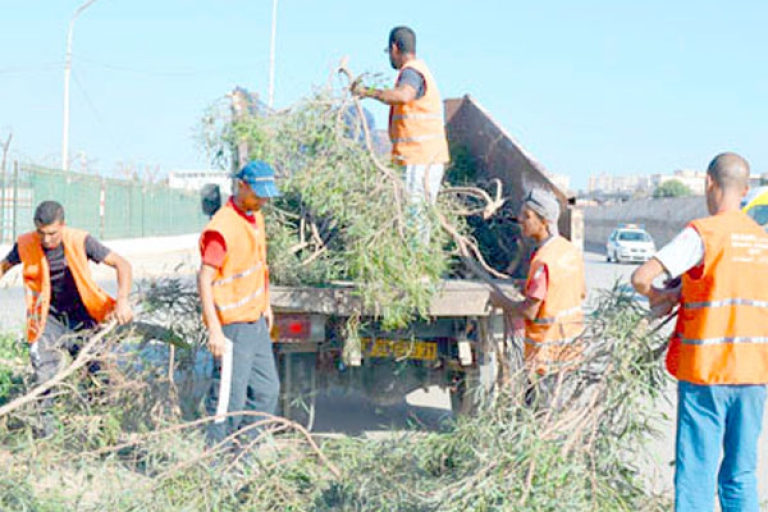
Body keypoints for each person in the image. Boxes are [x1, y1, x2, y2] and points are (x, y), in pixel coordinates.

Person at [632, 152, 768, 512]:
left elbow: (641, 277)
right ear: (745, 189)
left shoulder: (703, 234)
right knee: (740, 476)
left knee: (696, 477)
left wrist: (664, 295)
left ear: (709, 183)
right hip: (754, 375)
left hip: (707, 374)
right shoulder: (762, 240)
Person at [0, 200, 133, 434]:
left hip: (83, 317)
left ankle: (102, 431)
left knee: (98, 374)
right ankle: (46, 437)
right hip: (47, 320)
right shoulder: (26, 243)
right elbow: (4, 266)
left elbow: (123, 264)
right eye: (41, 233)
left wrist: (122, 301)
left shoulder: (80, 240)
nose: (46, 240)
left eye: (52, 233)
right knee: (45, 376)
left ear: (62, 226)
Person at [198, 160, 281, 451]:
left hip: (256, 321)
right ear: (241, 185)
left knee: (267, 391)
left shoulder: (254, 217)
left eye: (266, 195)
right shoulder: (222, 228)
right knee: (227, 402)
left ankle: (245, 457)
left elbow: (259, 265)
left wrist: (266, 304)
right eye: (258, 194)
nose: (263, 200)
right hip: (232, 327)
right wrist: (215, 331)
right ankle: (215, 465)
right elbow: (205, 279)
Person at [490, 188, 585, 407]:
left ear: (544, 221)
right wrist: (530, 286)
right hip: (570, 352)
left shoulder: (543, 261)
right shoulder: (569, 251)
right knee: (558, 413)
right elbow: (576, 291)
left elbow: (530, 311)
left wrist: (500, 301)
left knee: (540, 415)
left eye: (527, 216)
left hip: (546, 356)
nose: (520, 220)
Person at [354, 25, 450, 241]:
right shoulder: (420, 70)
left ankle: (415, 268)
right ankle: (418, 265)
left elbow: (403, 95)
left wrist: (368, 92)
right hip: (425, 157)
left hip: (419, 158)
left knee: (414, 216)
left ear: (394, 48)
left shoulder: (411, 72)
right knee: (419, 216)